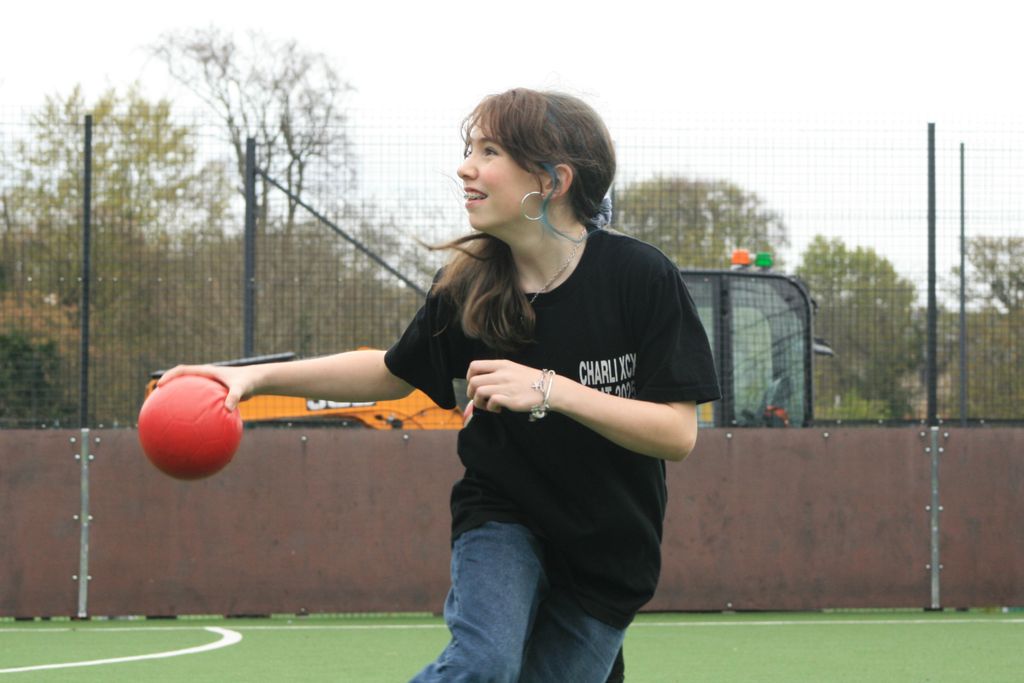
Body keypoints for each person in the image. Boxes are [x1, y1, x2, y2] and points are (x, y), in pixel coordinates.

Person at [160, 87, 720, 682]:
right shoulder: (470, 284)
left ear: (552, 180)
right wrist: (254, 377)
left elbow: (676, 433)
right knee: (482, 664)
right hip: (505, 516)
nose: (465, 167)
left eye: (489, 151)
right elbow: (389, 372)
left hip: (609, 550)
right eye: (469, 149)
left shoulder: (640, 277)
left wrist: (549, 389)